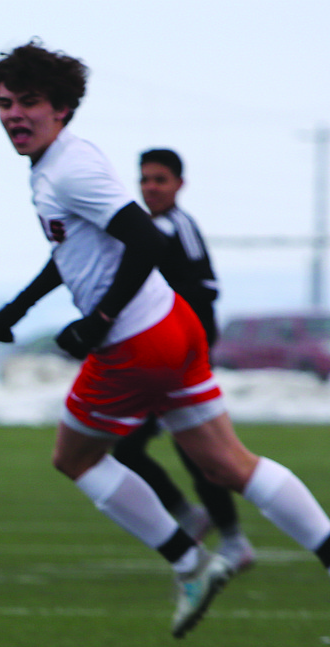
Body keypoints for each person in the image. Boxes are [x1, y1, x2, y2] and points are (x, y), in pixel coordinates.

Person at [0, 41, 330, 647]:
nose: (14, 114)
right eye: (5, 103)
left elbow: (145, 240)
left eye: (28, 102)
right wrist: (18, 307)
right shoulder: (56, 165)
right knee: (228, 464)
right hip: (172, 328)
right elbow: (75, 251)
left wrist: (99, 322)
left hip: (136, 340)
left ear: (62, 107)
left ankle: (190, 562)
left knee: (76, 458)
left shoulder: (68, 166)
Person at [110, 149, 255, 572]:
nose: (151, 187)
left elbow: (203, 291)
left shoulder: (177, 228)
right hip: (159, 355)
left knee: (196, 449)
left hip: (180, 356)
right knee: (129, 447)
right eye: (145, 180)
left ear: (179, 185)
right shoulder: (150, 227)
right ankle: (194, 517)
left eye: (160, 180)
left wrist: (188, 348)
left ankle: (231, 538)